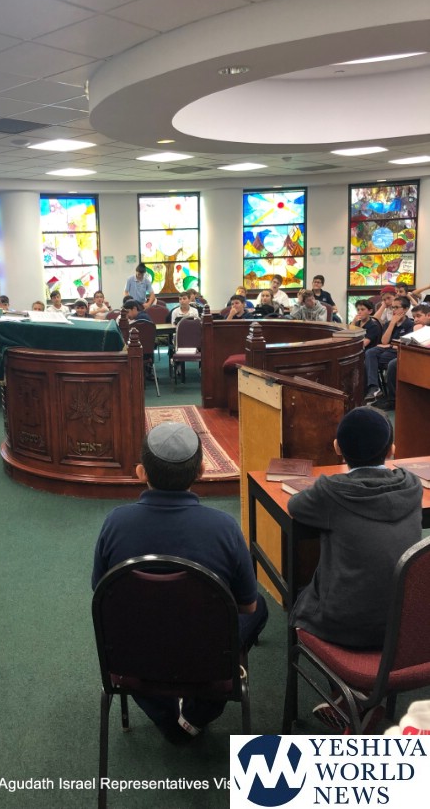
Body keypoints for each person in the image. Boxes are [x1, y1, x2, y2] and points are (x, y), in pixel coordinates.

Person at [92, 422, 268, 741]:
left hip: (135, 656)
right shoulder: (225, 527)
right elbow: (247, 606)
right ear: (201, 471)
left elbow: (101, 594)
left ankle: (161, 710)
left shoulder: (114, 522)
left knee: (133, 621)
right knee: (261, 606)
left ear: (141, 472)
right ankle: (197, 714)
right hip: (206, 657)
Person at [287, 407, 422, 731]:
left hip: (347, 627)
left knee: (301, 600)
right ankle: (356, 701)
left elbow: (295, 506)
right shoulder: (413, 486)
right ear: (392, 449)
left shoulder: (330, 492)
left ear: (337, 447)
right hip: (406, 628)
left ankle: (351, 702)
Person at [373, 303, 430, 411]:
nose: (416, 319)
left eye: (419, 316)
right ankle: (393, 400)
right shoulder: (416, 327)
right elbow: (407, 344)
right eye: (414, 317)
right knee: (393, 364)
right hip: (413, 357)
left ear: (429, 315)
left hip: (425, 359)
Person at [364, 295, 413, 402]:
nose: (394, 310)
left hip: (397, 351)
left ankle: (382, 394)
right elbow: (384, 341)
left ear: (405, 309)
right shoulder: (389, 323)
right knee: (370, 352)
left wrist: (390, 345)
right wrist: (392, 324)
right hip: (386, 349)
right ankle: (375, 388)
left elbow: (404, 345)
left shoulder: (410, 324)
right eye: (392, 307)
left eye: (397, 307)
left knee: (370, 361)